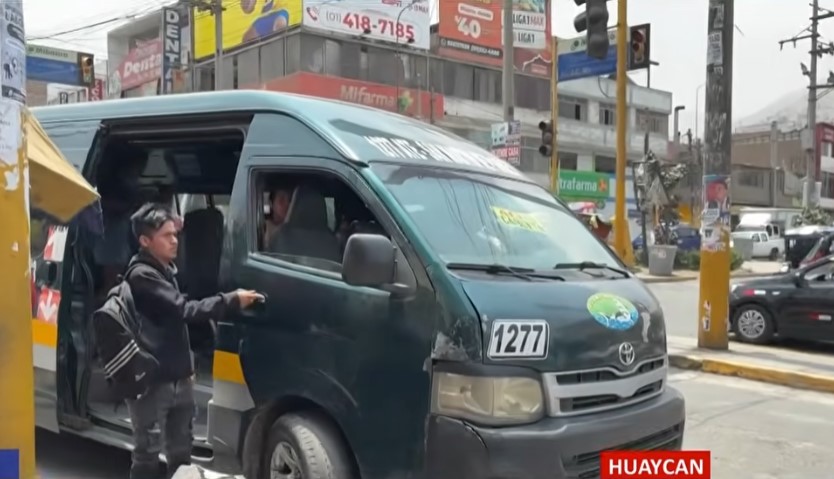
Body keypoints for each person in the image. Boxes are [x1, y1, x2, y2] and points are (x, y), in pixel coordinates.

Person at [125, 203, 263, 479]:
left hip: (177, 376)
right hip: (152, 382)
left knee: (181, 452)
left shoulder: (166, 271)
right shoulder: (142, 276)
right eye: (166, 235)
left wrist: (186, 370)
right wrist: (232, 300)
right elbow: (184, 311)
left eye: (175, 234)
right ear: (145, 241)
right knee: (147, 453)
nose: (175, 240)